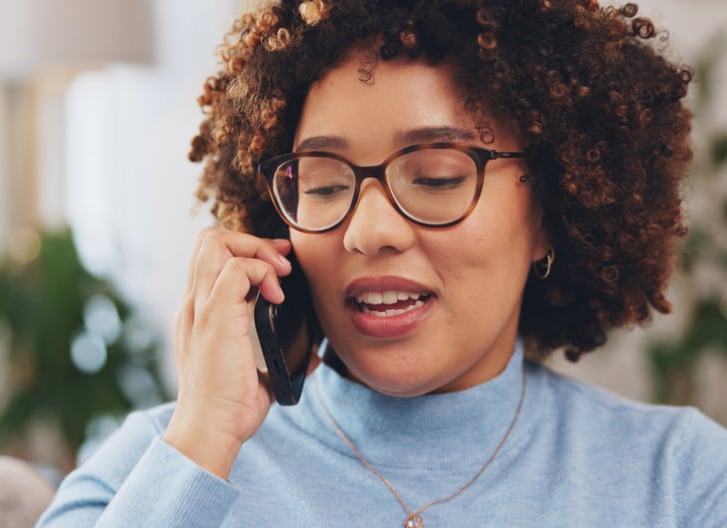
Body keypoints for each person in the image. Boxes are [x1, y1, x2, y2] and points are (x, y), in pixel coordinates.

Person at [38, 0, 727, 526]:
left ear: (553, 209)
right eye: (326, 184)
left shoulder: (681, 481)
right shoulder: (156, 464)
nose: (367, 232)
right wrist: (201, 443)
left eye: (434, 177)